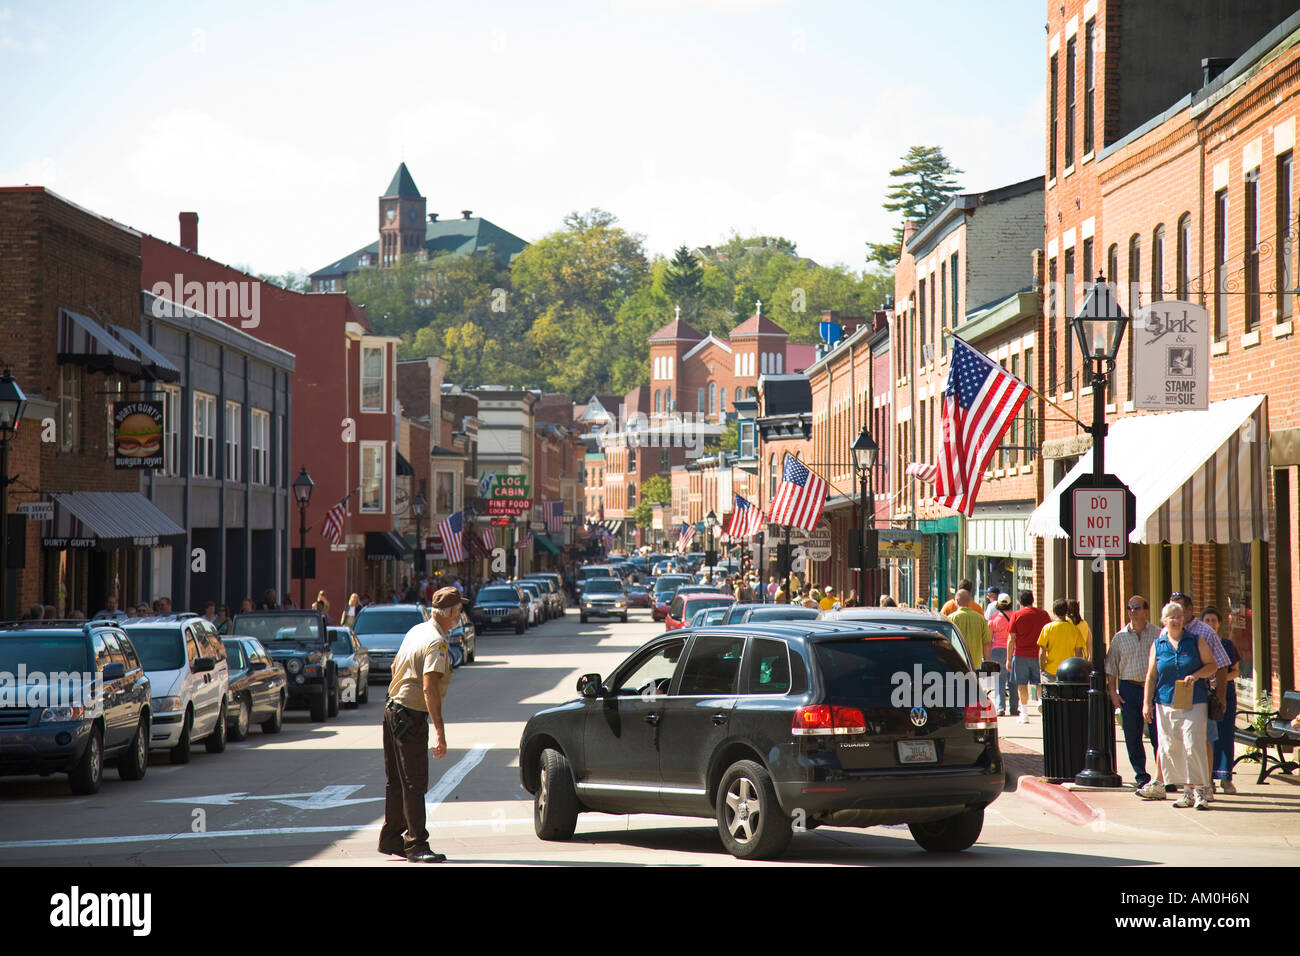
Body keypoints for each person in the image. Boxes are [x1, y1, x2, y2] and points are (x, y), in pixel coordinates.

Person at [378, 586, 460, 863]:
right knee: (414, 782)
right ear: (449, 614)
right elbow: (429, 688)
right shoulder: (437, 642)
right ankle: (416, 845)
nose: (461, 615)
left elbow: (394, 667)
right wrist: (439, 730)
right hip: (409, 716)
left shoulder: (417, 630)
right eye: (459, 610)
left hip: (391, 710)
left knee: (396, 782)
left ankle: (391, 838)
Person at [1140, 601, 1217, 808]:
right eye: (1171, 617)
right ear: (1163, 621)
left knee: (1193, 744)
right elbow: (1151, 676)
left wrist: (1196, 675)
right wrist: (1146, 703)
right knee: (1172, 747)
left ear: (1184, 620)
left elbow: (1212, 665)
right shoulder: (1158, 645)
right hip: (1165, 702)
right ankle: (1186, 792)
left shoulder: (1195, 641)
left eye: (1179, 616)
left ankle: (1201, 790)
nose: (1175, 620)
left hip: (1194, 700)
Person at [1171, 591, 1231, 800]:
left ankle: (1206, 784)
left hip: (1201, 694)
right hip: (1174, 696)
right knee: (1180, 741)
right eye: (1171, 610)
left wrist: (1221, 697)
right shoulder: (1168, 631)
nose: (1174, 615)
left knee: (1203, 740)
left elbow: (1222, 664)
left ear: (1189, 610)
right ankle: (1189, 787)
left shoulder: (1205, 632)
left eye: (1178, 610)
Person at [1106, 595, 1161, 789]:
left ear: (1145, 610)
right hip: (1129, 689)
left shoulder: (1158, 634)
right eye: (1129, 608)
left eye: (1136, 607)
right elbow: (1111, 667)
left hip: (1154, 689)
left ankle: (1161, 776)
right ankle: (1141, 775)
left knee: (1158, 736)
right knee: (1132, 735)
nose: (1132, 611)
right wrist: (1113, 692)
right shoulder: (1120, 637)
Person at [1201, 605, 1240, 794]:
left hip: (1225, 694)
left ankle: (1226, 779)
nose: (1210, 624)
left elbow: (1235, 671)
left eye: (1213, 621)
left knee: (1225, 736)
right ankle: (1209, 779)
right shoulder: (1199, 644)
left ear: (1219, 624)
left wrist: (1221, 680)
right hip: (1205, 695)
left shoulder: (1227, 645)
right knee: (1209, 738)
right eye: (1207, 621)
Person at [1008, 591, 1051, 723]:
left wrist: (1008, 658)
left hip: (1020, 654)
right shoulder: (1043, 614)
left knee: (1022, 685)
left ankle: (1024, 713)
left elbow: (1011, 638)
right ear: (1033, 600)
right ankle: (1042, 709)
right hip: (1039, 654)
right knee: (1039, 683)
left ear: (1020, 602)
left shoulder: (1016, 615)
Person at [1037, 599, 1086, 684]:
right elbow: (1078, 653)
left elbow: (1042, 652)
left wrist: (1042, 668)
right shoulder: (1074, 629)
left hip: (1050, 671)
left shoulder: (1047, 628)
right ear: (1066, 612)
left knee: (1049, 696)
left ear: (1053, 612)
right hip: (1068, 671)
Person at [948, 589, 993, 667]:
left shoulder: (951, 619)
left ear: (957, 601)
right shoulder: (980, 619)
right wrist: (986, 662)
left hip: (956, 664)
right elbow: (987, 643)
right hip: (976, 665)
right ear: (969, 601)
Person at [987, 594, 1014, 714]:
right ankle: (1014, 708)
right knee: (1013, 680)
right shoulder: (1015, 617)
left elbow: (988, 638)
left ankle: (1000, 707)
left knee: (999, 680)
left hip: (997, 650)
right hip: (1013, 650)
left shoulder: (993, 618)